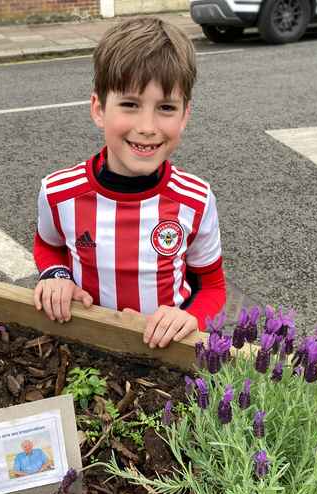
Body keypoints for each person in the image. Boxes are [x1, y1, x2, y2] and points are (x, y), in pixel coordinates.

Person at [33, 17, 226, 349]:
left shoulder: (196, 200)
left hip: (164, 358)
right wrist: (56, 275)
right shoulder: (58, 192)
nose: (147, 126)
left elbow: (212, 286)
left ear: (185, 116)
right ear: (98, 108)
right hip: (85, 347)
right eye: (130, 105)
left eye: (166, 107)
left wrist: (192, 318)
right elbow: (48, 245)